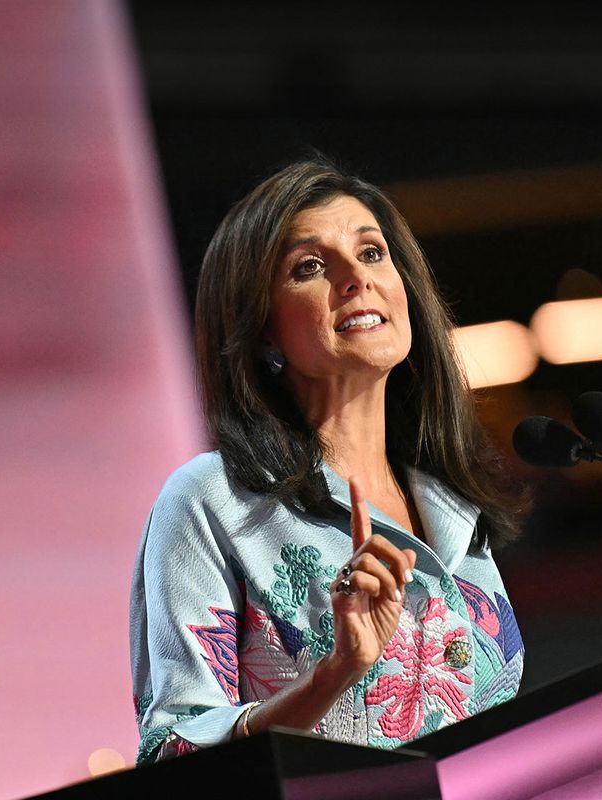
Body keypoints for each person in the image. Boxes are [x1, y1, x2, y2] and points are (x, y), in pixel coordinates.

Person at [130, 157, 525, 764]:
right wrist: (333, 675)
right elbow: (173, 757)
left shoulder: (453, 506)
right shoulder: (212, 501)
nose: (355, 278)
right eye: (310, 266)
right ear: (262, 330)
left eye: (372, 253)